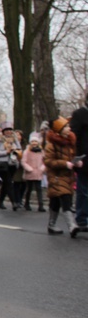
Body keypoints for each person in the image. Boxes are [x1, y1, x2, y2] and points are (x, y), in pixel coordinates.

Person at [43, 116, 83, 237]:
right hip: (56, 176)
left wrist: (77, 163)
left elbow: (72, 157)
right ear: (59, 130)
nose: (69, 128)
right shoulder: (51, 145)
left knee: (55, 201)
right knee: (65, 199)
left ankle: (51, 224)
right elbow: (48, 161)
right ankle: (72, 226)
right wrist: (64, 164)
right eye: (66, 127)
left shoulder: (70, 143)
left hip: (68, 176)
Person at [0, 122, 22, 210]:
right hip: (1, 164)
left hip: (12, 163)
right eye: (6, 130)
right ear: (3, 131)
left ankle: (0, 201)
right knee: (8, 181)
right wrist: (5, 152)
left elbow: (19, 149)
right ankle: (14, 202)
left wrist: (15, 150)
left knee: (6, 183)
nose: (8, 132)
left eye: (10, 130)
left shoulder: (14, 138)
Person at [70, 92, 88, 231]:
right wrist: (75, 158)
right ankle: (81, 218)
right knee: (83, 190)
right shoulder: (80, 114)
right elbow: (73, 138)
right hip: (84, 159)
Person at [21, 132, 46, 212]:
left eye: (35, 141)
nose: (34, 143)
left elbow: (44, 161)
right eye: (32, 141)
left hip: (38, 172)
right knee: (29, 189)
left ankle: (40, 205)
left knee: (39, 189)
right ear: (30, 142)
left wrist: (42, 168)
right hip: (30, 173)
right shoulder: (26, 151)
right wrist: (29, 169)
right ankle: (27, 203)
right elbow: (23, 162)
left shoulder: (41, 151)